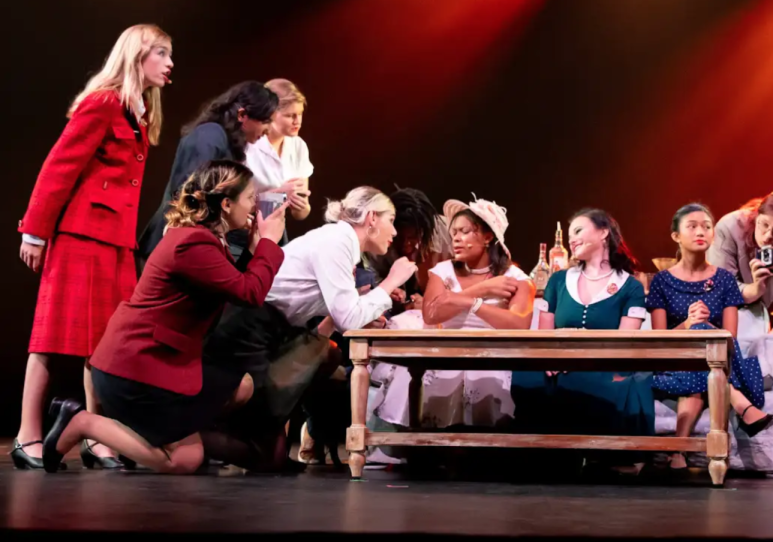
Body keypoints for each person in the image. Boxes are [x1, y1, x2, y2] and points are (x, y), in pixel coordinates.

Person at [37, 160, 288, 475]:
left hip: (162, 363)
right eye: (251, 198)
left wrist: (254, 250)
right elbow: (249, 293)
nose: (256, 206)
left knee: (240, 385)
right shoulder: (194, 243)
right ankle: (83, 423)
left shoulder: (205, 239)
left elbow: (230, 286)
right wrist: (267, 243)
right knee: (185, 461)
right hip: (136, 371)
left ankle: (150, 438)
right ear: (226, 204)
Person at [14, 24, 174, 470]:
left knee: (104, 346)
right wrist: (35, 231)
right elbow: (59, 165)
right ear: (137, 56)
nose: (169, 63)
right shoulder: (104, 102)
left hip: (115, 243)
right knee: (51, 337)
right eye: (161, 53)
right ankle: (26, 436)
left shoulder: (138, 112)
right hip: (80, 238)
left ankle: (96, 436)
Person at [203, 186, 415, 468]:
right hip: (250, 328)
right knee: (264, 455)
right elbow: (347, 319)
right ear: (372, 218)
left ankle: (223, 433)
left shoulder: (342, 244)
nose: (395, 231)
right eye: (391, 220)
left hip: (273, 328)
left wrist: (368, 306)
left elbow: (344, 314)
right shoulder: (337, 242)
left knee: (274, 454)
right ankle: (180, 435)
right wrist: (390, 282)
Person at [371, 196, 534, 431]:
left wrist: (468, 303)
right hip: (445, 348)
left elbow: (518, 325)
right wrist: (481, 291)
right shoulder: (442, 271)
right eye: (454, 232)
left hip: (493, 353)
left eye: (464, 231)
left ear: (488, 237)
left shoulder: (515, 278)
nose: (455, 238)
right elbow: (431, 313)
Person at [648, 203, 773, 471]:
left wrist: (704, 328)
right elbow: (660, 341)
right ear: (676, 236)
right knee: (698, 338)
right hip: (675, 361)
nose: (701, 231)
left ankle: (678, 453)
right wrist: (687, 324)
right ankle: (742, 406)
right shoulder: (662, 281)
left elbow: (730, 337)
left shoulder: (724, 279)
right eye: (692, 226)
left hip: (721, 363)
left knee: (705, 339)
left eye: (707, 226)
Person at [512, 209, 654, 442]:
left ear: (604, 233)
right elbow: (544, 335)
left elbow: (623, 342)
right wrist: (553, 358)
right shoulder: (558, 281)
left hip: (603, 362)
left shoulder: (630, 286)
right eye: (569, 236)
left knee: (582, 380)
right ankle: (541, 452)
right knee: (527, 376)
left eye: (578, 230)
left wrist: (579, 358)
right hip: (557, 361)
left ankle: (585, 452)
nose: (571, 240)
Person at [139, 81, 279, 261]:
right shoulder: (209, 137)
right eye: (265, 121)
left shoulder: (224, 142)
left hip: (188, 245)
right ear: (242, 115)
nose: (268, 130)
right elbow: (191, 196)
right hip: (171, 248)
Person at [708, 189, 773, 341]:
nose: (767, 236)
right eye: (764, 224)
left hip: (761, 319)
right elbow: (720, 287)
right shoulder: (729, 227)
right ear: (757, 214)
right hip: (720, 317)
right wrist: (754, 289)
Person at [245, 79, 313, 229]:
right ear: (270, 114)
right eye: (290, 116)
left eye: (300, 114)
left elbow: (301, 213)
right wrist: (280, 195)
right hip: (242, 235)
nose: (298, 121)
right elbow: (234, 208)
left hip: (275, 230)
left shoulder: (298, 145)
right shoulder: (249, 145)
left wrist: (300, 205)